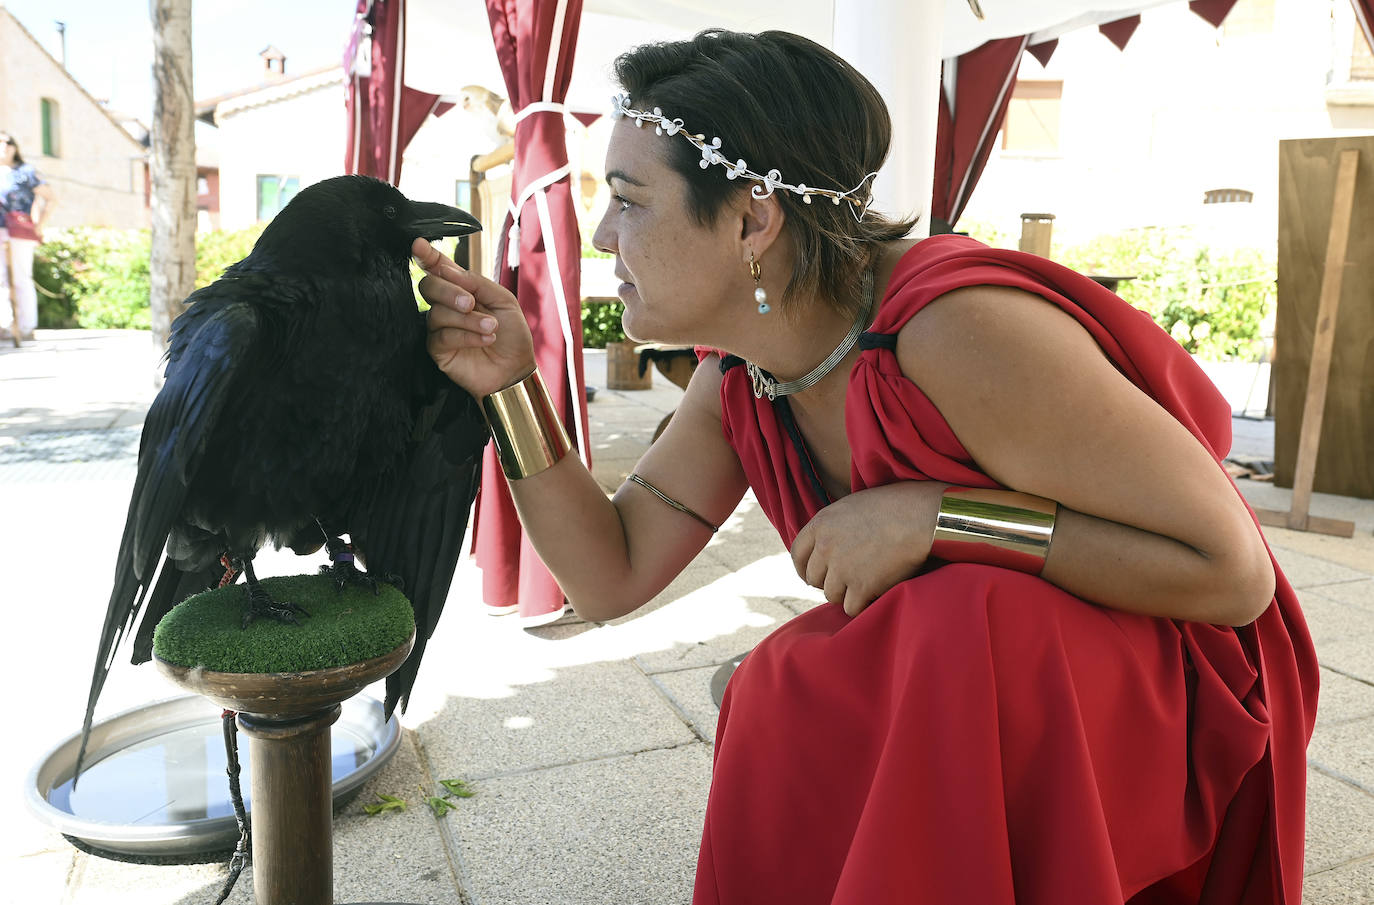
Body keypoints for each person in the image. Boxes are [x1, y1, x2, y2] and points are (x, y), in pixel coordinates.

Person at [418, 29, 1317, 905]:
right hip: (977, 670)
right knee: (830, 677)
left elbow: (1232, 576)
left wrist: (941, 515)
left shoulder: (959, 332)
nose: (604, 234)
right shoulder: (745, 371)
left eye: (628, 198)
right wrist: (511, 387)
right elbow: (607, 575)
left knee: (918, 632)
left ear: (750, 220)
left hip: (1169, 663)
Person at [0, 132, 56, 341]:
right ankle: (5, 326)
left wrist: (39, 225)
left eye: (8, 142)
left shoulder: (26, 172)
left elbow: (51, 199)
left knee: (22, 277)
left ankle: (26, 326)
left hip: (19, 231)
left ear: (15, 147)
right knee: (1, 279)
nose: (4, 146)